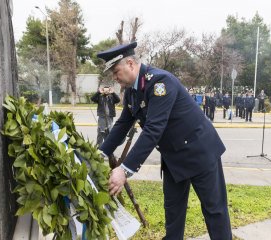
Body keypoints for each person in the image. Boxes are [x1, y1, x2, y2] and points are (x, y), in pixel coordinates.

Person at [97, 42, 232, 240]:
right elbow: (122, 125)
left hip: (199, 152)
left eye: (116, 71)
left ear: (131, 64)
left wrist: (124, 170)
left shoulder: (160, 82)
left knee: (214, 210)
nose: (115, 78)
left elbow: (154, 129)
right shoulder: (133, 91)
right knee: (173, 213)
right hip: (173, 158)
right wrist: (99, 153)